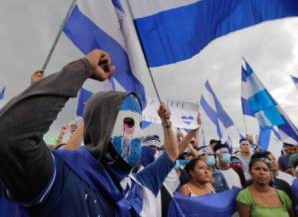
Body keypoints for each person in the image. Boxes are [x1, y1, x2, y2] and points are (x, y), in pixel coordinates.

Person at [0, 49, 179, 217]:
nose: (140, 135)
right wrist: (83, 67)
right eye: (130, 123)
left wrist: (166, 123)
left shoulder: (142, 187)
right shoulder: (61, 180)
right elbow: (10, 137)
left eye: (139, 125)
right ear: (103, 126)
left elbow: (171, 154)